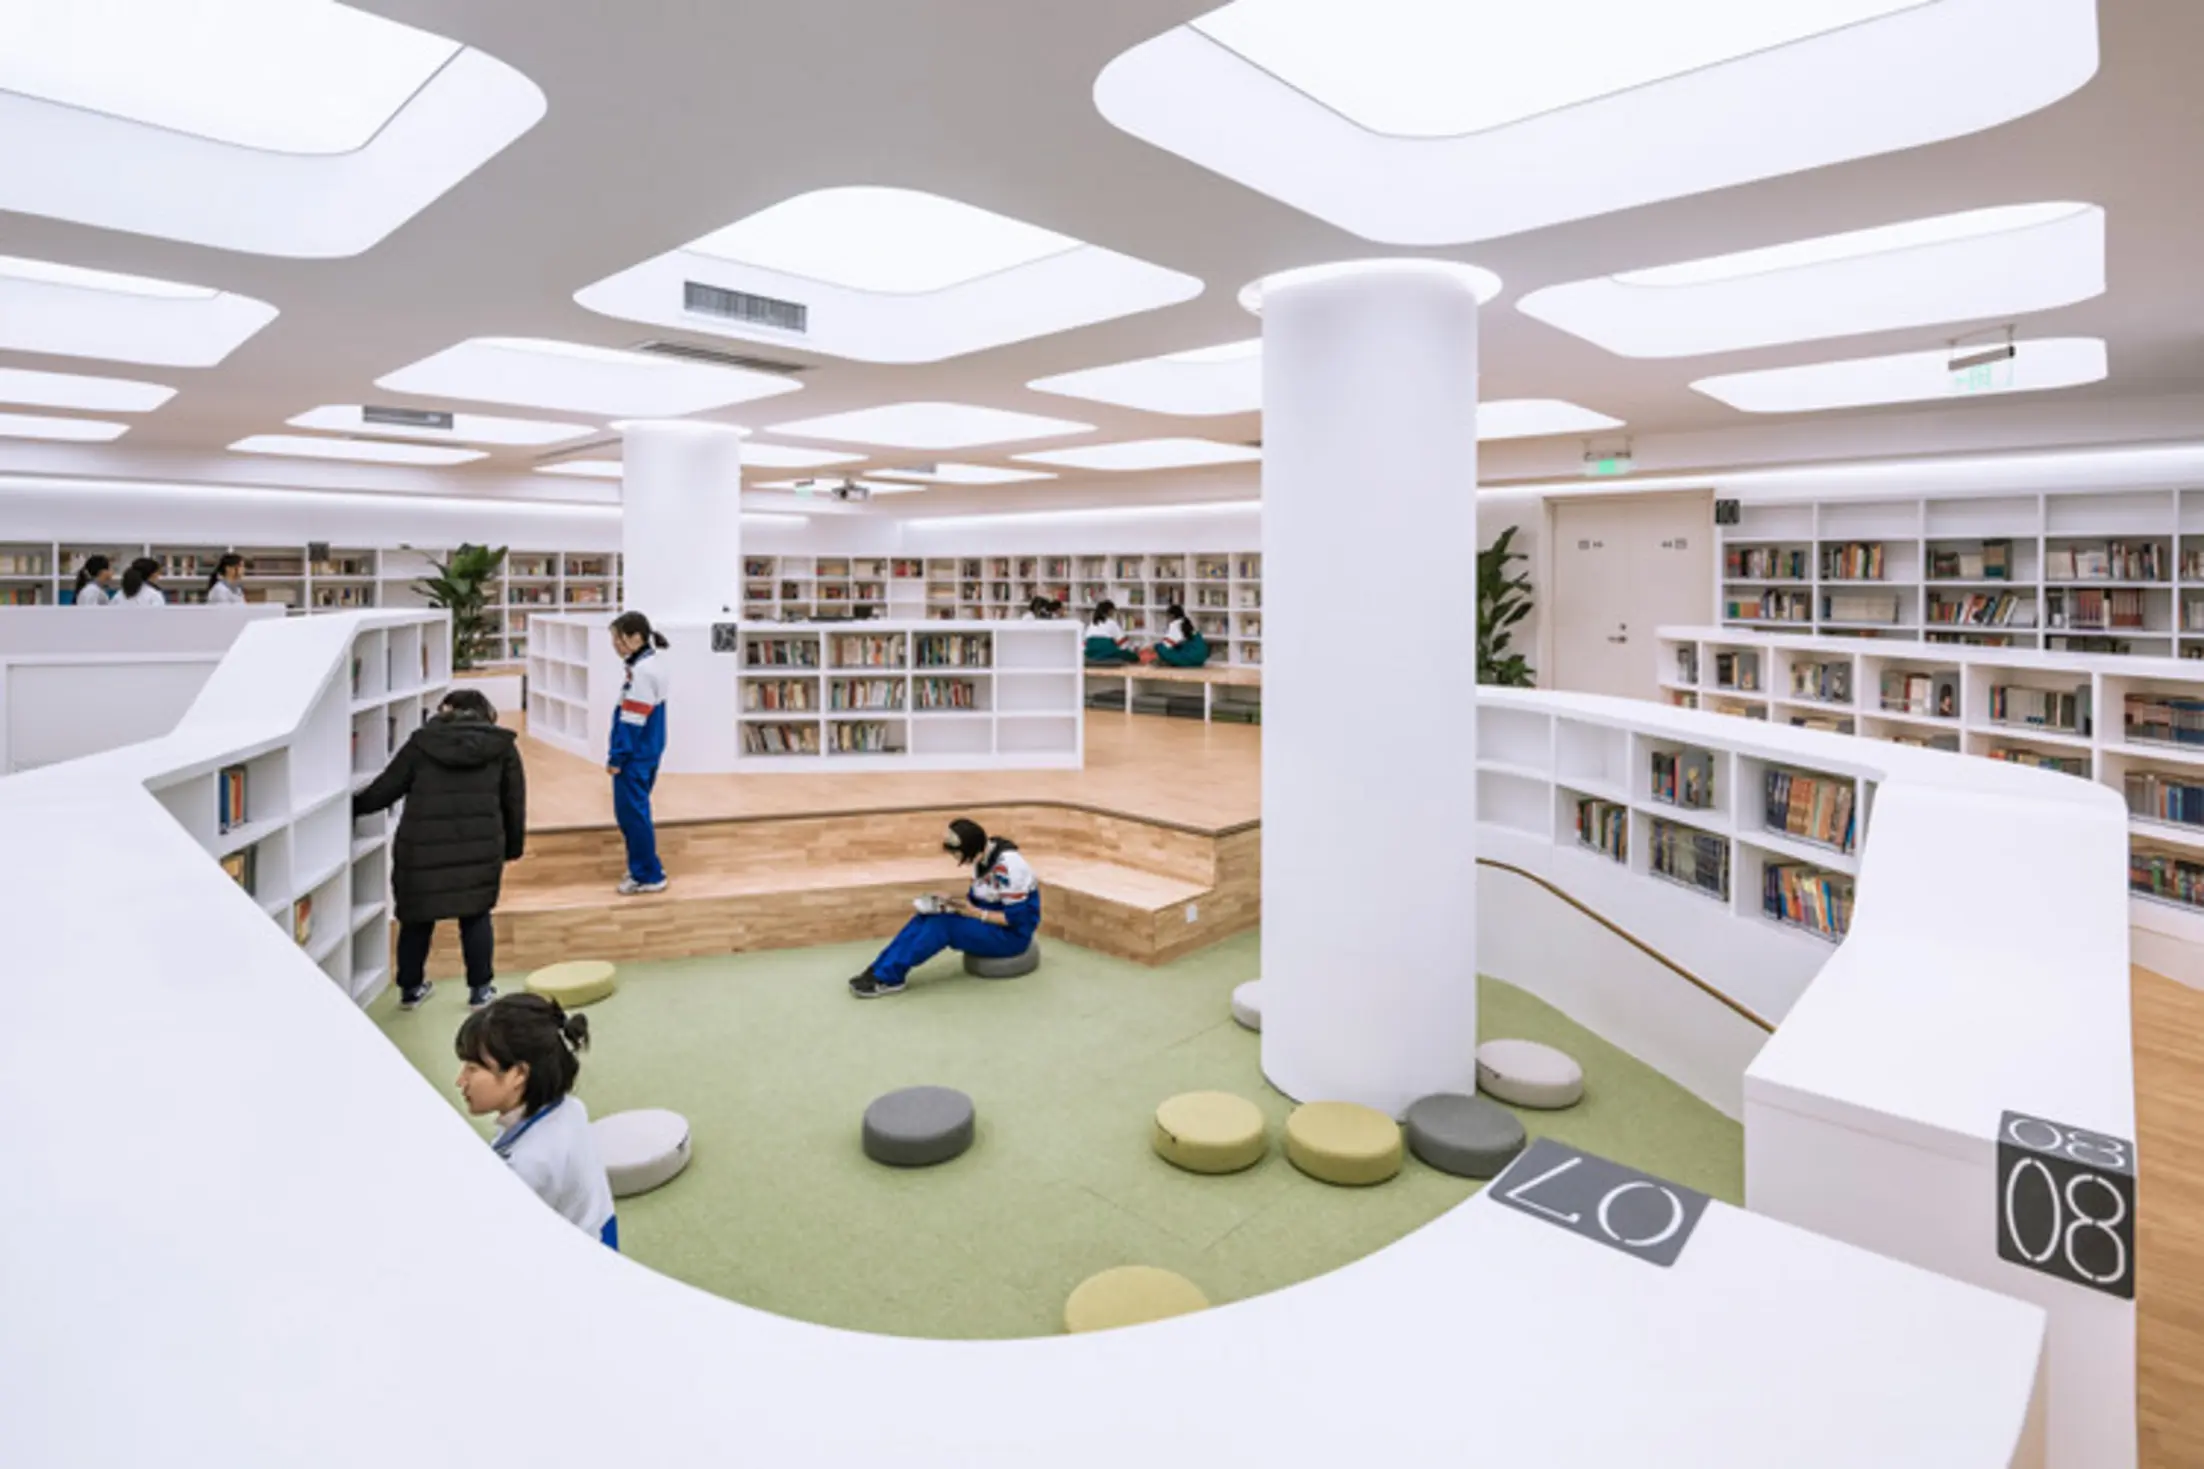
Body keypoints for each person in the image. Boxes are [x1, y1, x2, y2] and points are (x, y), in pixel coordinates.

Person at [353, 688, 526, 1010]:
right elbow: (513, 802)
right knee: (475, 916)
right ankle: (480, 989)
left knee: (416, 918)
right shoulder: (502, 747)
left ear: (449, 709)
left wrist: (351, 807)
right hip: (480, 848)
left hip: (422, 849)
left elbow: (387, 788)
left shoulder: (422, 743)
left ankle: (411, 989)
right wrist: (512, 848)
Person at [454, 994, 618, 1250]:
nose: (460, 1081)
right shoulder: (570, 1108)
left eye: (473, 1069)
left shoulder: (528, 1165)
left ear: (518, 1073)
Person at [849, 818, 1040, 998]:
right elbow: (981, 899)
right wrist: (952, 902)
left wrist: (973, 913)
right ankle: (880, 968)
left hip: (1011, 936)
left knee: (943, 927)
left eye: (958, 855)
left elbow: (1016, 920)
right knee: (926, 917)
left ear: (973, 849)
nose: (957, 860)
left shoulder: (1009, 867)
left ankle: (890, 978)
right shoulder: (981, 856)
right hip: (988, 919)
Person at [607, 610, 670, 896]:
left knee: (632, 815)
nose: (615, 646)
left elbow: (632, 721)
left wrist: (617, 757)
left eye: (618, 639)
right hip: (649, 750)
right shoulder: (652, 664)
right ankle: (645, 865)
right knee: (638, 812)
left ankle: (647, 874)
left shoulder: (643, 673)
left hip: (635, 755)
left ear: (636, 638)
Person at [1154, 603, 1211, 668]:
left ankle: (1168, 662)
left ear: (1172, 616)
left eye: (1167, 616)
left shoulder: (1175, 624)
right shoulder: (1186, 623)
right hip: (1201, 659)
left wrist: (1153, 647)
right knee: (1175, 648)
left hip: (1192, 658)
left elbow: (1166, 645)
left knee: (1161, 649)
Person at [1083, 599, 1138, 664]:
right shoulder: (1111, 623)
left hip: (1091, 652)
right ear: (1109, 611)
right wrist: (1133, 650)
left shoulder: (1092, 624)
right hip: (1106, 650)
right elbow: (1123, 644)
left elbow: (1084, 643)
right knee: (1132, 656)